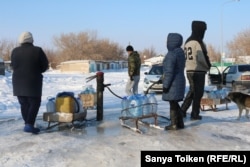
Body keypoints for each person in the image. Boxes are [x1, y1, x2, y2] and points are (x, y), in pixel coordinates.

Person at [11, 31, 49, 134]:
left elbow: (13, 65)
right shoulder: (38, 50)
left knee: (24, 104)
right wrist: (36, 70)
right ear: (31, 39)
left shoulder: (15, 51)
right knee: (34, 102)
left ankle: (28, 123)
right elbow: (45, 65)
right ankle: (29, 124)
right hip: (33, 81)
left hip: (18, 82)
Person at [180, 20, 211, 120]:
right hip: (198, 70)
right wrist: (208, 66)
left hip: (189, 70)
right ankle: (194, 113)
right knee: (198, 93)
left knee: (192, 91)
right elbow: (202, 57)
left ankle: (182, 111)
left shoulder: (187, 41)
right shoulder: (198, 42)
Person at [162, 33, 186, 130]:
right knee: (175, 103)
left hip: (173, 83)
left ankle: (174, 124)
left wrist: (166, 85)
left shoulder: (171, 54)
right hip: (179, 80)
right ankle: (180, 123)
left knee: (173, 104)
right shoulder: (180, 52)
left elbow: (169, 71)